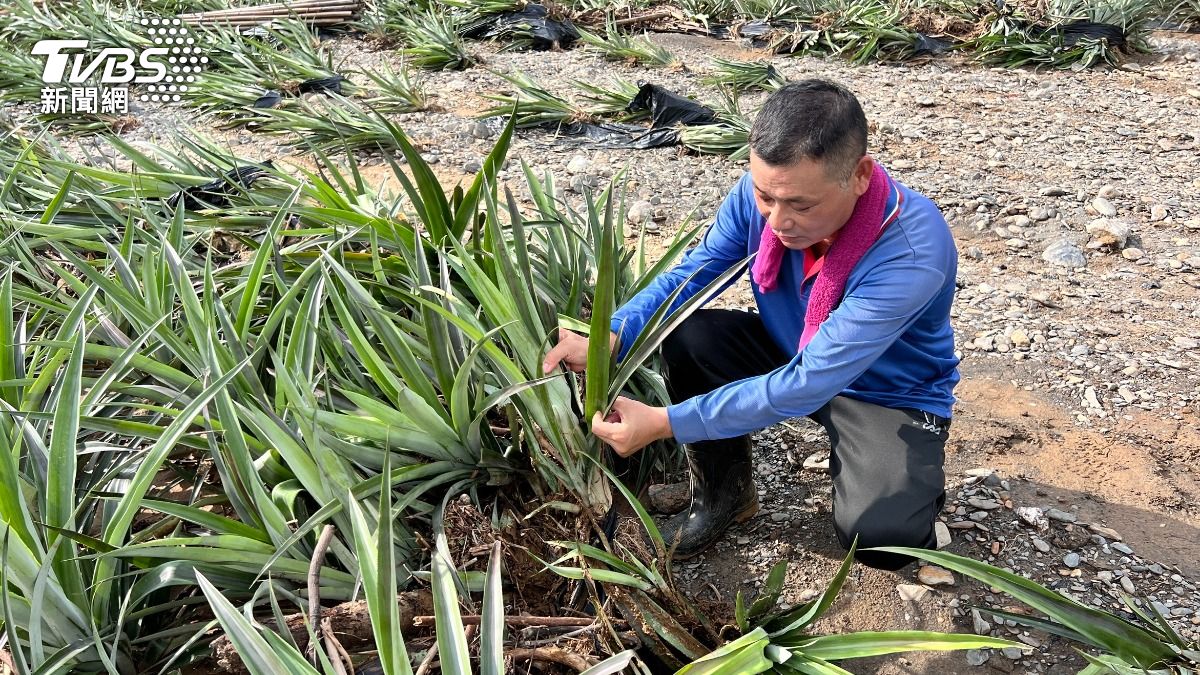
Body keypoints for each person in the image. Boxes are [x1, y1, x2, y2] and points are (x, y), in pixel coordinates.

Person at [542, 79, 959, 570]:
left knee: (882, 540)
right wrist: (613, 333)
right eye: (765, 197)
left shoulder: (910, 251)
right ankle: (726, 494)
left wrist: (665, 423)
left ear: (860, 175)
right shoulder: (764, 195)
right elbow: (695, 273)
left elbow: (808, 382)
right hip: (796, 349)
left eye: (801, 205)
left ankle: (913, 488)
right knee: (692, 337)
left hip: (885, 393)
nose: (778, 222)